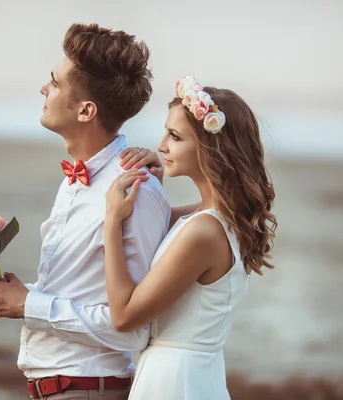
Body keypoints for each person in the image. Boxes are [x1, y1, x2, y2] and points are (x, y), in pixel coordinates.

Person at [0, 23, 170, 400]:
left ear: (86, 110)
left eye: (55, 83)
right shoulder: (75, 181)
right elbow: (83, 293)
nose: (43, 89)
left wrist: (30, 304)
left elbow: (133, 329)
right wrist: (16, 295)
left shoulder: (135, 191)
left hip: (86, 389)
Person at [103, 76, 277, 399]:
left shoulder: (204, 231)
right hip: (191, 374)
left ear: (210, 148)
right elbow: (162, 226)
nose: (161, 145)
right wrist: (156, 185)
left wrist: (111, 222)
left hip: (175, 381)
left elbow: (123, 315)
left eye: (175, 136)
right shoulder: (211, 219)